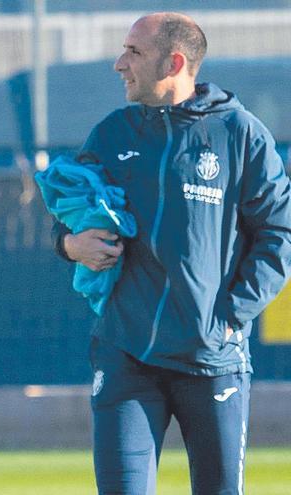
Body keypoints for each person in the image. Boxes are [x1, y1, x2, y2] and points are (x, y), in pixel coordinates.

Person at [53, 12, 291, 494]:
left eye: (133, 52)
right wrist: (70, 244)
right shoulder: (111, 133)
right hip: (126, 354)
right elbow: (69, 216)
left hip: (211, 359)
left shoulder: (240, 135)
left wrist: (227, 317)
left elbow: (279, 235)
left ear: (175, 62)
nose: (120, 63)